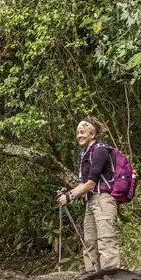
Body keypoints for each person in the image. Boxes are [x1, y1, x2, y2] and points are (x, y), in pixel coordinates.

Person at [57, 116, 120, 271]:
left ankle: (112, 276)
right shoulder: (84, 153)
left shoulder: (99, 151)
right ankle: (91, 275)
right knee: (90, 242)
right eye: (78, 132)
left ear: (93, 134)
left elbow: (91, 183)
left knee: (106, 240)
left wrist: (70, 197)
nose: (79, 135)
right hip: (91, 201)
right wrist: (68, 192)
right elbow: (82, 184)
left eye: (83, 132)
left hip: (104, 200)